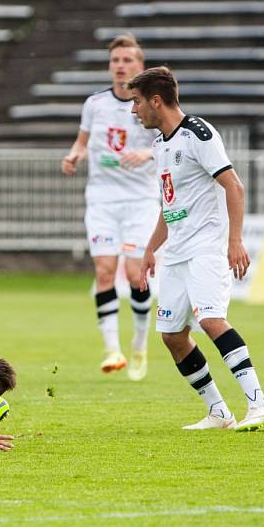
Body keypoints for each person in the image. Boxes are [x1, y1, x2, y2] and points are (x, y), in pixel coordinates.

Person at [129, 66, 264, 431]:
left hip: (207, 246)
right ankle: (219, 412)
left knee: (211, 319)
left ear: (156, 101)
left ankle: (259, 404)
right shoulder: (159, 144)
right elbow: (169, 204)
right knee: (172, 336)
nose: (134, 111)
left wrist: (234, 241)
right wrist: (151, 248)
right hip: (177, 251)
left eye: (136, 102)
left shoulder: (199, 133)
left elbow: (234, 187)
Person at [61, 35, 160, 381]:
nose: (120, 66)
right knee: (104, 271)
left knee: (136, 274)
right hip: (102, 199)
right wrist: (75, 155)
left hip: (140, 200)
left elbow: (167, 141)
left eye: (127, 60)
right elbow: (82, 141)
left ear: (140, 66)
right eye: (115, 60)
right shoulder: (95, 104)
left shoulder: (151, 104)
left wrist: (147, 153)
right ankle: (111, 349)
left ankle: (139, 342)